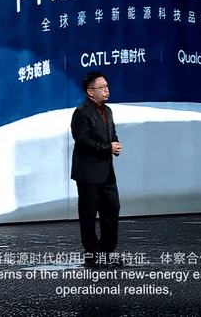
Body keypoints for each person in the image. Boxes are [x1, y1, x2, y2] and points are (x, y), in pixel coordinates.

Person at [71, 72, 123, 266]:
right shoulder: (81, 112)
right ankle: (92, 254)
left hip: (107, 172)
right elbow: (82, 141)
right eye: (102, 87)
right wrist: (107, 148)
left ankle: (107, 252)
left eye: (107, 86)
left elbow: (111, 133)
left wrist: (115, 143)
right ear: (90, 91)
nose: (106, 90)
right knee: (89, 215)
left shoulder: (108, 110)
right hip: (88, 173)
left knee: (112, 210)